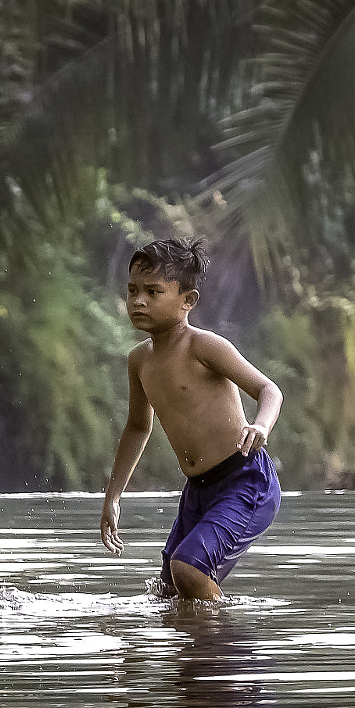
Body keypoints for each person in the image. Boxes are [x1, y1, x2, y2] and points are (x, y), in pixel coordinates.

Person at [100, 237, 285, 601]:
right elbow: (138, 426)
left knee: (189, 568)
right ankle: (198, 653)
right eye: (133, 290)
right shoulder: (139, 361)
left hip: (245, 480)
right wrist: (113, 496)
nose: (138, 300)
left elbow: (269, 390)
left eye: (153, 292)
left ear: (188, 301)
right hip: (198, 490)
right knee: (169, 588)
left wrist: (260, 426)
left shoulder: (205, 347)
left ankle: (223, 645)